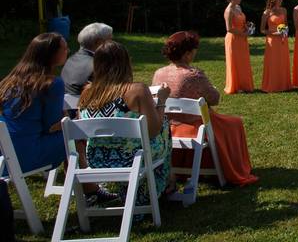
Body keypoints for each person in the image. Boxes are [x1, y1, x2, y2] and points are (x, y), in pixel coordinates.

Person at [152, 31, 258, 187]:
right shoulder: (193, 76)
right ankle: (229, 167)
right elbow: (214, 99)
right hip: (194, 126)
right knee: (235, 123)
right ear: (187, 54)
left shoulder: (158, 73)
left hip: (168, 127)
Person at [78, 41, 174, 205]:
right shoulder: (137, 90)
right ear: (125, 62)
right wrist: (162, 101)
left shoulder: (87, 92)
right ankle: (160, 187)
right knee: (164, 125)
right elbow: (153, 130)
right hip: (135, 159)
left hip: (97, 160)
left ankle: (147, 191)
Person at [0, 33, 69, 173]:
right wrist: (67, 118)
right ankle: (87, 187)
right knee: (75, 135)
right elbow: (51, 125)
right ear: (52, 54)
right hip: (26, 156)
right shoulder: (52, 84)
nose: (68, 51)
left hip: (3, 156)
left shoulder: (8, 82)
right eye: (64, 48)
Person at [61, 22, 113, 96]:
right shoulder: (98, 65)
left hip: (66, 104)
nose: (113, 44)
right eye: (110, 40)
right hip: (85, 105)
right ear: (99, 42)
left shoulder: (71, 59)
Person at [223, 0, 254, 94]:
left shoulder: (238, 7)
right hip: (233, 39)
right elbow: (229, 28)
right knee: (235, 62)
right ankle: (236, 86)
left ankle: (244, 85)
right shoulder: (229, 10)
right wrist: (243, 33)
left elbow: (241, 22)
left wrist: (247, 26)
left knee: (243, 61)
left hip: (242, 38)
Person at [260, 0, 291, 93]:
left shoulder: (284, 10)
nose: (280, 1)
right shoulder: (267, 13)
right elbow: (262, 29)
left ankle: (283, 84)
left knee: (282, 61)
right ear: (273, 0)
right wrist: (274, 33)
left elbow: (286, 24)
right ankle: (273, 85)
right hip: (272, 41)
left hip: (282, 40)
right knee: (273, 62)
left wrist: (285, 31)